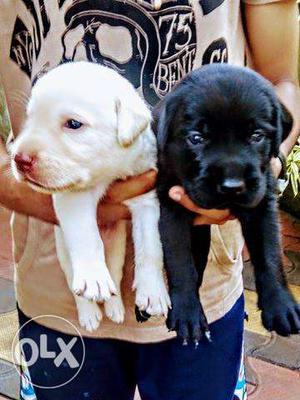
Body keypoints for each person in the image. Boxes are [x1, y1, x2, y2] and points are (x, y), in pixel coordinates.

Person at [0, 1, 299, 399]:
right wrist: (22, 189)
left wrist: (257, 175)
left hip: (201, 283)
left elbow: (281, 78)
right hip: (55, 281)